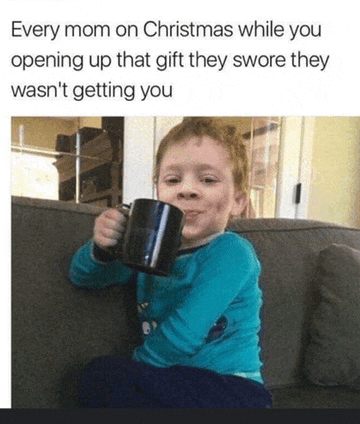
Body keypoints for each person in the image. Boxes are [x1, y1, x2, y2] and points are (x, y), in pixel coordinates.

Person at [68, 117, 272, 408]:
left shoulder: (232, 252)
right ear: (159, 193)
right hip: (174, 381)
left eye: (208, 179)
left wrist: (138, 367)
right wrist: (102, 248)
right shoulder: (151, 248)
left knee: (109, 375)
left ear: (238, 200)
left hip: (234, 387)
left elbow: (186, 331)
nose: (186, 190)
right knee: (98, 375)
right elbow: (83, 277)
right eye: (173, 179)